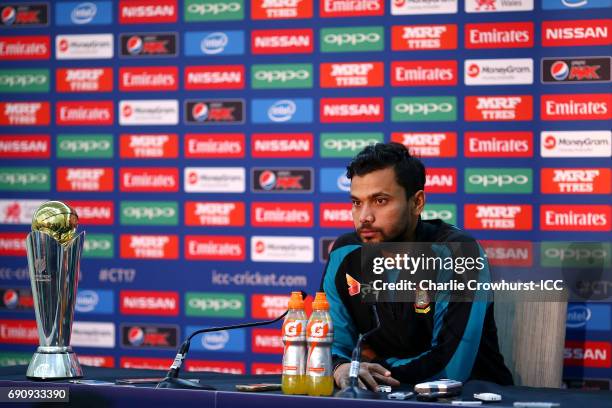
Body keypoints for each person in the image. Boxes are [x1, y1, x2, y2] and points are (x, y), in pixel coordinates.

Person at [320, 142, 513, 390]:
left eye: (380, 201)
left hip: (470, 397)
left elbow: (449, 367)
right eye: (357, 203)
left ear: (417, 202)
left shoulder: (458, 254)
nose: (364, 217)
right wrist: (340, 366)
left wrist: (370, 364)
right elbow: (330, 345)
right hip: (382, 397)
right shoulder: (345, 253)